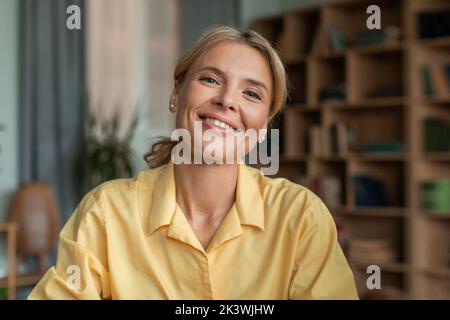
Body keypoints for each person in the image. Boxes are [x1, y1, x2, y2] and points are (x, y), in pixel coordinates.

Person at [29, 25, 358, 299]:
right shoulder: (106, 214)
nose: (227, 100)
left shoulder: (301, 218)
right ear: (176, 94)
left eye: (252, 94)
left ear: (263, 129)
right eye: (211, 79)